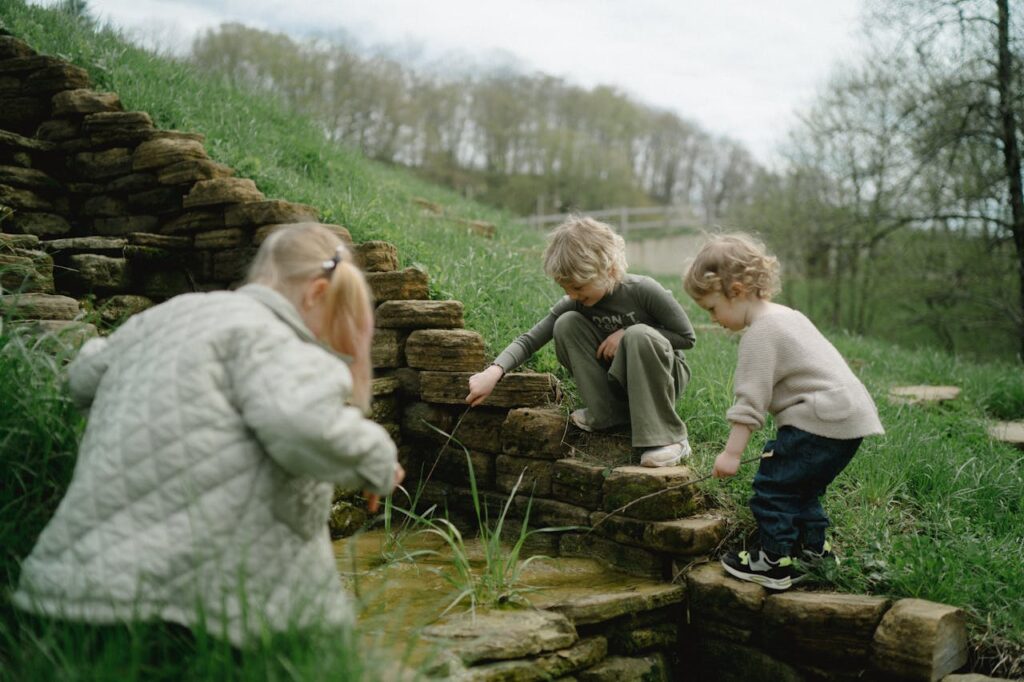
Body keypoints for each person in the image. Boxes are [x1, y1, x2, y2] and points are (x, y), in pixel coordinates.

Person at [12, 223, 403, 647]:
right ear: (316, 295)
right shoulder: (275, 341)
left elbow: (80, 379)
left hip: (65, 593)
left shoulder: (166, 317)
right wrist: (376, 461)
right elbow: (301, 425)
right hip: (190, 613)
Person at [683, 233, 884, 590]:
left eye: (712, 308)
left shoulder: (760, 333)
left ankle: (773, 560)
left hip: (819, 418)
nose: (713, 319)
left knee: (773, 486)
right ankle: (813, 552)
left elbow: (750, 404)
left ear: (738, 290)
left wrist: (731, 454)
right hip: (850, 419)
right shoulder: (789, 316)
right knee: (802, 487)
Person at [466, 215, 696, 467]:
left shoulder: (643, 290)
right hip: (619, 378)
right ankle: (606, 413)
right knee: (566, 323)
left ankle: (669, 437)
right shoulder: (576, 302)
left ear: (609, 270)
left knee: (638, 335)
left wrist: (629, 331)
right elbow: (530, 340)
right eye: (566, 288)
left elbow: (686, 337)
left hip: (662, 376)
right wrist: (493, 372)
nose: (572, 294)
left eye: (578, 286)